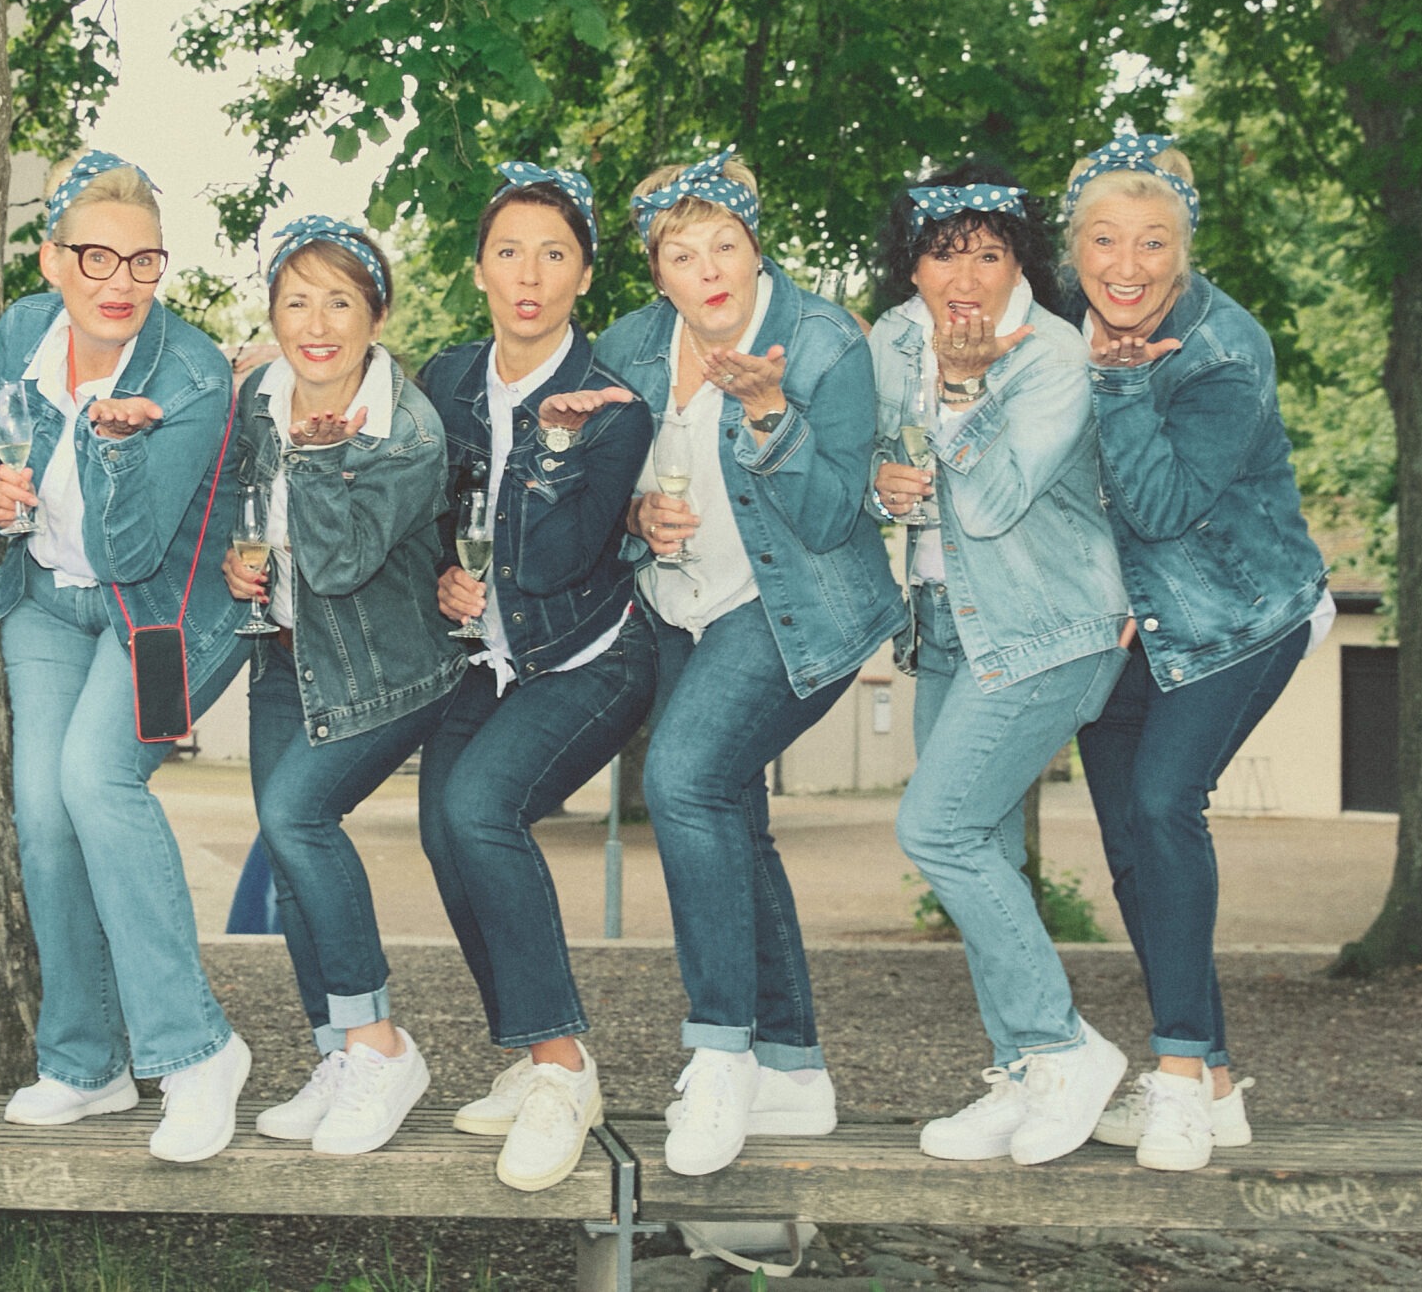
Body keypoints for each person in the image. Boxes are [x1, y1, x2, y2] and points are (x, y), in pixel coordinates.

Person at [593, 150, 904, 1178]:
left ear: (755, 246)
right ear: (657, 270)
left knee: (683, 781)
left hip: (793, 606)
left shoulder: (819, 342)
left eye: (724, 245)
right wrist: (635, 515)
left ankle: (721, 1052)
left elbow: (831, 515)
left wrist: (770, 413)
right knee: (731, 816)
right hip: (680, 610)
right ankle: (792, 1069)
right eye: (682, 254)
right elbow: (600, 490)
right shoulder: (628, 347)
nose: (709, 270)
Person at [0, 150, 252, 1164]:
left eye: (143, 261)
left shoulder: (192, 375)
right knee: (43, 813)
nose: (120, 282)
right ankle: (87, 1063)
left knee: (96, 778)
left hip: (167, 613)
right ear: (53, 261)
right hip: (47, 600)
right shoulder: (21, 334)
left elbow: (131, 551)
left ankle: (197, 1049)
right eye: (96, 257)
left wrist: (114, 445)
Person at [1058, 136, 1332, 1171]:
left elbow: (1165, 505)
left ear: (1183, 250)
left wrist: (1120, 385)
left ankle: (1174, 1074)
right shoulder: (1057, 325)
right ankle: (1213, 1082)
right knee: (1130, 840)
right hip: (1125, 618)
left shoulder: (1224, 351)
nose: (1125, 265)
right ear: (1074, 248)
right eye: (1103, 240)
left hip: (1239, 611)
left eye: (1152, 242)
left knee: (1166, 800)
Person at [869, 164, 1131, 1167]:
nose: (966, 276)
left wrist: (964, 389)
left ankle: (1064, 1048)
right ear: (914, 266)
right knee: (983, 849)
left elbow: (989, 504)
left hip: (1047, 625)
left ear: (1020, 262)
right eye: (944, 255)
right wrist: (882, 485)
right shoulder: (892, 340)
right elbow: (873, 461)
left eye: (989, 252)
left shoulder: (1054, 354)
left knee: (935, 829)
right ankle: (1022, 1068)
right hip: (945, 624)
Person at [415, 162, 655, 1193]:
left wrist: (554, 443)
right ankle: (528, 1050)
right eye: (508, 251)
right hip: (489, 657)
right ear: (479, 269)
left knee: (481, 808)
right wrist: (442, 574)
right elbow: (424, 510)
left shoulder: (614, 407)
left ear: (583, 276)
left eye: (554, 254)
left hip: (590, 656)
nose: (529, 273)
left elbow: (557, 561)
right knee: (443, 828)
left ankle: (564, 1067)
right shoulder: (444, 381)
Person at [219, 216, 463, 1157]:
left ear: (376, 314)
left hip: (387, 668)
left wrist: (319, 461)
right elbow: (247, 509)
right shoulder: (259, 399)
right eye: (295, 302)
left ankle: (378, 1044)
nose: (315, 325)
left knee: (299, 818)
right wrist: (240, 565)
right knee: (288, 859)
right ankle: (337, 1054)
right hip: (285, 654)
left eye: (339, 302)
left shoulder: (408, 431)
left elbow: (339, 563)